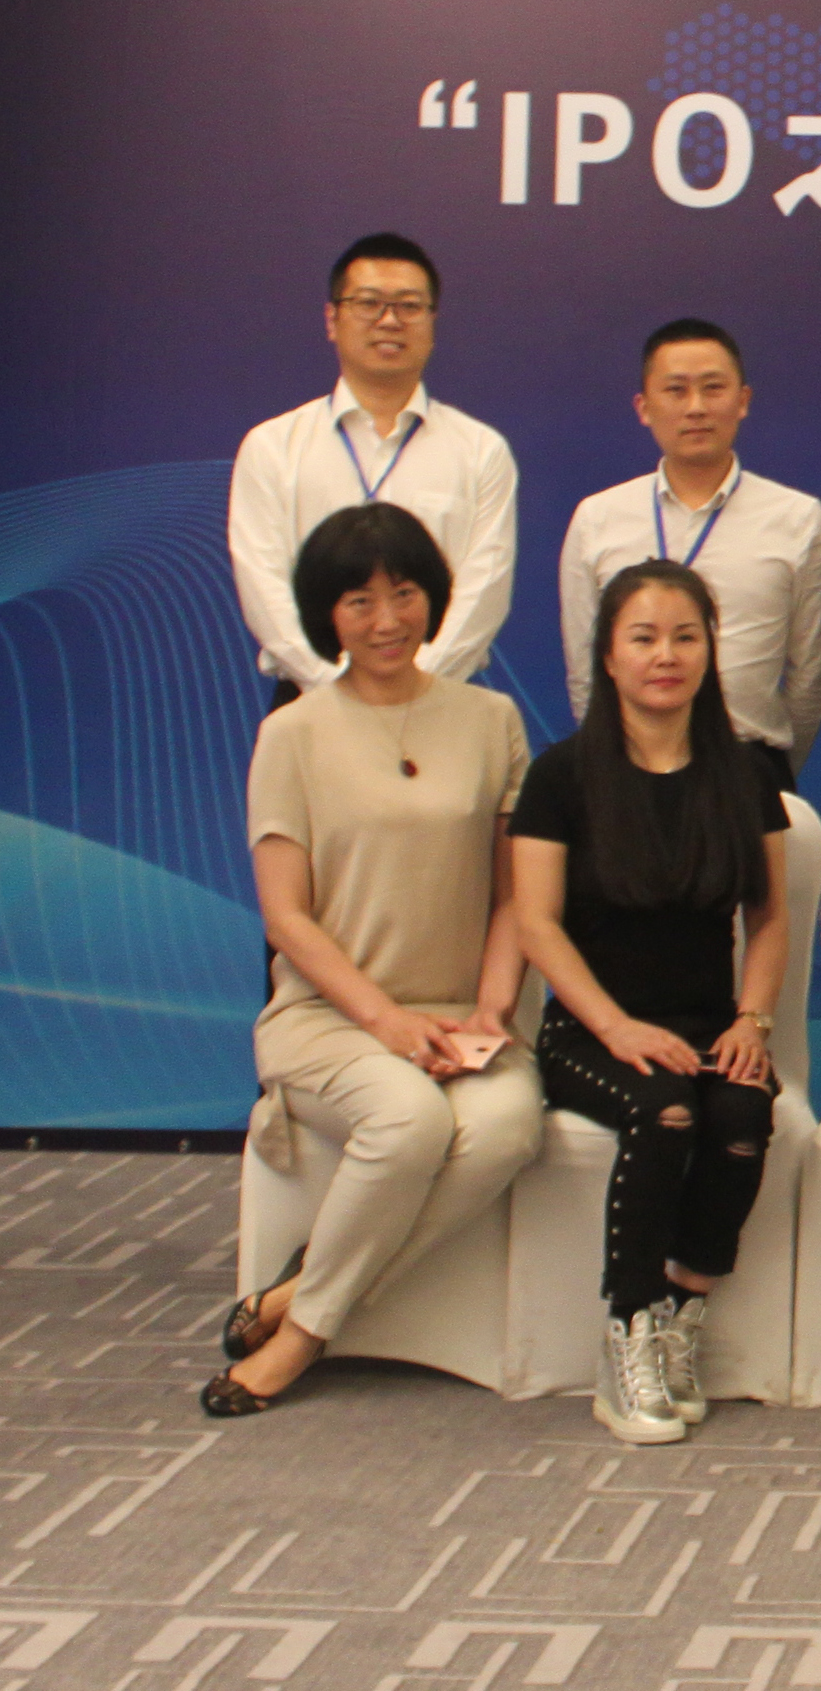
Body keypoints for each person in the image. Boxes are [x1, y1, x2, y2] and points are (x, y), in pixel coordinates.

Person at [210, 503, 543, 1416]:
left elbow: (514, 895)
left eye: (404, 593)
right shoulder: (294, 733)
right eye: (359, 601)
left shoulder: (491, 718)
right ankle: (304, 1340)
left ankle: (295, 1296)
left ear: (433, 597)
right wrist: (386, 1022)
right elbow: (286, 916)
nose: (387, 619)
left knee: (507, 1128)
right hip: (329, 1018)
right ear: (328, 615)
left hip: (464, 1017)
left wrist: (492, 1008)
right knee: (409, 1122)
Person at [515, 561, 793, 1443]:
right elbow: (535, 923)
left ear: (711, 650)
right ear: (607, 656)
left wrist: (752, 1022)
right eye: (643, 638)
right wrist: (615, 1026)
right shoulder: (561, 776)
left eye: (684, 637)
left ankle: (680, 1314)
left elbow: (770, 917)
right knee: (667, 1112)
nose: (665, 656)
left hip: (708, 1023)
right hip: (590, 1029)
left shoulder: (744, 773)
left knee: (742, 1114)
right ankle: (628, 1331)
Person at [229, 234, 518, 699]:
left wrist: (413, 688)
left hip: (439, 700)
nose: (389, 320)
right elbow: (265, 590)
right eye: (368, 303)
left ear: (432, 321)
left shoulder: (480, 451)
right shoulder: (272, 447)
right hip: (310, 700)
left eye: (409, 306)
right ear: (332, 319)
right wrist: (337, 690)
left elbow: (483, 593)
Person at [559, 319, 821, 792]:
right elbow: (585, 667)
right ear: (644, 407)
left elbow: (811, 673)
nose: (696, 407)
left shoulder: (798, 520)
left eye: (713, 388)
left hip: (748, 766)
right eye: (676, 390)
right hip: (624, 769)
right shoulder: (598, 518)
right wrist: (612, 761)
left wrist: (769, 767)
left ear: (743, 400)